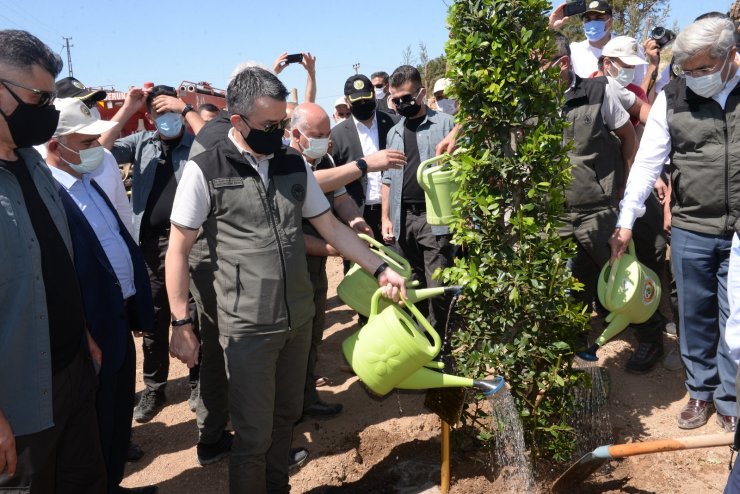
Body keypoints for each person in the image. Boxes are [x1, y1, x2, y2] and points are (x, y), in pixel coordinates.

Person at [165, 65, 406, 494]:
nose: (279, 133)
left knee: (284, 420)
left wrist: (380, 268)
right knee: (254, 435)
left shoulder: (292, 163)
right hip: (248, 328)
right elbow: (179, 251)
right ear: (237, 121)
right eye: (269, 125)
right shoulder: (205, 171)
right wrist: (181, 322)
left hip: (298, 321)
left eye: (281, 123)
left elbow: (331, 228)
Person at [610, 16, 740, 432]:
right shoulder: (673, 96)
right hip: (691, 226)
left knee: (735, 317)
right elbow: (647, 162)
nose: (694, 78)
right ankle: (701, 392)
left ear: (729, 58)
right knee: (694, 314)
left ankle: (731, 398)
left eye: (702, 69)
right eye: (687, 70)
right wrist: (626, 220)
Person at [0, 29, 106, 493]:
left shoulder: (33, 164)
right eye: (38, 97)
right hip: (18, 404)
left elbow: (52, 268)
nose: (46, 110)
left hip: (71, 370)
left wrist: (81, 333)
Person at [45, 97, 157, 494]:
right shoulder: (50, 195)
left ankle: (112, 483)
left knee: (115, 413)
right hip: (90, 328)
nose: (96, 149)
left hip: (117, 315)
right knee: (93, 421)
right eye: (86, 142)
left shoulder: (88, 181)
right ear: (56, 146)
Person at [101, 84, 205, 422]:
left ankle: (197, 380)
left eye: (172, 112)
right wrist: (128, 109)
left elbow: (218, 143)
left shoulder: (195, 144)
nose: (168, 119)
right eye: (160, 114)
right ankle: (154, 387)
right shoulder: (140, 143)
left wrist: (186, 107)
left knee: (194, 312)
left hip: (191, 243)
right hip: (149, 245)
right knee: (154, 316)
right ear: (150, 117)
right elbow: (100, 148)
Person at [290, 102, 374, 419]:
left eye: (327, 134)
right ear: (297, 134)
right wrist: (335, 248)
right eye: (318, 134)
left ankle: (306, 396)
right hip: (292, 267)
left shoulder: (324, 157)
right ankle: (291, 409)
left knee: (313, 331)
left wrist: (356, 223)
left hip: (316, 267)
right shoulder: (287, 166)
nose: (326, 140)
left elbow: (341, 199)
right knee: (294, 339)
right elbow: (292, 235)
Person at [381, 65, 456, 333]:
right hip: (403, 219)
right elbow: (388, 179)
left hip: (433, 218)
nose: (402, 104)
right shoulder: (394, 132)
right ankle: (420, 340)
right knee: (411, 285)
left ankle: (440, 345)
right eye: (396, 99)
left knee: (437, 287)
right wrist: (385, 218)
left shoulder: (446, 125)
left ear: (421, 93)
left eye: (407, 98)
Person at [331, 74, 402, 241]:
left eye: (366, 99)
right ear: (348, 102)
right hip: (357, 217)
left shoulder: (395, 123)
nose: (362, 104)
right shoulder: (337, 135)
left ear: (373, 96)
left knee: (399, 265)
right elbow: (334, 179)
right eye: (357, 101)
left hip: (394, 214)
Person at [549, 1, 647, 89]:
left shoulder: (629, 47)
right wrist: (550, 27)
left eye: (598, 18)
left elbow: (641, 83)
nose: (592, 23)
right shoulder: (574, 49)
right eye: (588, 19)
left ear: (610, 22)